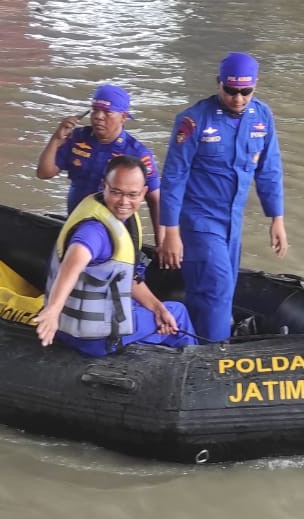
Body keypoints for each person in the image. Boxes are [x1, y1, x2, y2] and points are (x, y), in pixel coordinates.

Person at [157, 52, 286, 342]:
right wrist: (170, 232)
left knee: (221, 289)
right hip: (198, 220)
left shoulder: (262, 117)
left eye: (245, 92)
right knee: (216, 285)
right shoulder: (193, 121)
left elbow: (269, 169)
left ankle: (195, 339)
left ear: (255, 86)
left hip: (232, 222)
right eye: (230, 90)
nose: (238, 99)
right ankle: (216, 353)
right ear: (219, 83)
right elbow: (174, 178)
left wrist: (276, 218)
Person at [34, 156, 195, 355]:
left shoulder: (114, 218)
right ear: (104, 186)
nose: (124, 202)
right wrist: (52, 310)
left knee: (160, 312)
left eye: (132, 195)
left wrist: (157, 308)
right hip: (94, 339)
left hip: (71, 328)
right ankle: (196, 371)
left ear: (144, 192)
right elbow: (72, 264)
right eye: (117, 192)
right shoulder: (94, 231)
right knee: (178, 312)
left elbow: (126, 279)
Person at [34, 83, 163, 242]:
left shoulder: (137, 153)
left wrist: (162, 241)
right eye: (95, 110)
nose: (98, 116)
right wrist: (56, 138)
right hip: (76, 222)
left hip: (113, 232)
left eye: (107, 112)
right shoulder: (78, 138)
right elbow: (43, 173)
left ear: (123, 117)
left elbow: (155, 200)